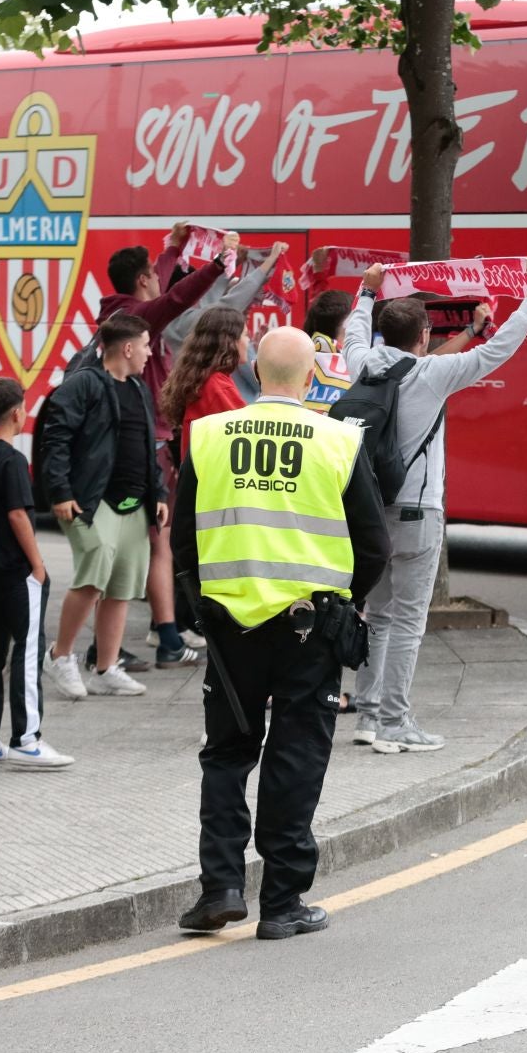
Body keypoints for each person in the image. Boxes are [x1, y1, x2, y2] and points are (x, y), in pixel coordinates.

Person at [172, 327, 389, 939]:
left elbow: (183, 538)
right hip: (309, 628)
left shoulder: (210, 435)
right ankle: (282, 903)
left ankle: (220, 887)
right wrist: (345, 602)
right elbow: (374, 545)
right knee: (296, 756)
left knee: (226, 754)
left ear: (256, 371)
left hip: (229, 626)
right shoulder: (338, 441)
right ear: (313, 374)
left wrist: (202, 607)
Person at [343, 258, 527, 754]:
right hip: (418, 514)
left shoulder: (362, 365)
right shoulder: (435, 374)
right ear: (424, 336)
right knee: (409, 621)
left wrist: (366, 293)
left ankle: (367, 716)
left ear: (383, 333)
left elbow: (354, 333)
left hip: (370, 512)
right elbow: (499, 349)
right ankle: (395, 723)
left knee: (376, 615)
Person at [98, 226, 229, 670]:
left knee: (150, 542)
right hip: (146, 445)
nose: (160, 276)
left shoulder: (123, 313)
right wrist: (217, 264)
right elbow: (173, 299)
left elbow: (162, 286)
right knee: (158, 541)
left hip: (145, 442)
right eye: (153, 273)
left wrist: (172, 248)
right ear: (141, 281)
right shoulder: (137, 318)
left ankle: (155, 635)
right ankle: (164, 638)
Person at [39, 314, 160, 700]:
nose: (149, 352)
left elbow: (147, 446)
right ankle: (59, 656)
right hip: (91, 500)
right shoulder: (83, 384)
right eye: (146, 345)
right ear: (128, 348)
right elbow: (55, 439)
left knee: (121, 584)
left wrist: (158, 493)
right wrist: (60, 492)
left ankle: (106, 668)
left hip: (135, 502)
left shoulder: (138, 388)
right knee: (93, 575)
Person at [0, 377, 70, 769]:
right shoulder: (12, 461)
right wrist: (37, 565)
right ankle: (27, 739)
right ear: (16, 413)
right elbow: (17, 515)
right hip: (15, 571)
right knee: (27, 649)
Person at [161, 306, 252, 458]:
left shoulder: (207, 379)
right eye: (245, 335)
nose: (248, 341)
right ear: (230, 342)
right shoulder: (218, 387)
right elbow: (248, 436)